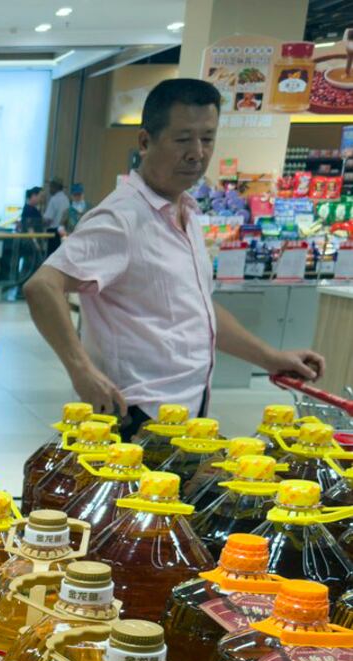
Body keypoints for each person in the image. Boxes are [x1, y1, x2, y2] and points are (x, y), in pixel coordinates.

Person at [24, 78, 323, 436]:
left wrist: (270, 358)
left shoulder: (184, 213)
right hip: (134, 417)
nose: (197, 152)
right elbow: (42, 287)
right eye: (183, 139)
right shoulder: (122, 219)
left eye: (207, 138)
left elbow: (198, 312)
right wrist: (82, 371)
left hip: (186, 412)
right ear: (146, 141)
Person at [42, 177, 69, 249]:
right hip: (63, 231)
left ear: (55, 187)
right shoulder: (66, 199)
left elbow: (48, 219)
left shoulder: (54, 200)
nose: (49, 189)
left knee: (51, 255)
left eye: (50, 186)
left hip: (52, 233)